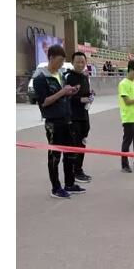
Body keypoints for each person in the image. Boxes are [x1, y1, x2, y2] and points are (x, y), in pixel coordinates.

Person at [33, 44, 83, 199]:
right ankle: (56, 188)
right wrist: (62, 92)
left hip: (67, 119)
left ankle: (69, 183)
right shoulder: (40, 78)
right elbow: (44, 102)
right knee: (55, 155)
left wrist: (70, 91)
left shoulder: (60, 75)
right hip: (54, 123)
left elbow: (62, 96)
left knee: (70, 153)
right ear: (51, 58)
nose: (62, 64)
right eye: (60, 60)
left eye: (63, 61)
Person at [65, 51, 94, 184]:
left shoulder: (84, 77)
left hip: (84, 116)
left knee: (82, 143)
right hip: (73, 116)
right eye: (78, 61)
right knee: (74, 145)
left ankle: (79, 169)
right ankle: (74, 171)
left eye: (83, 62)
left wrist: (91, 96)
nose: (80, 64)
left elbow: (87, 94)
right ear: (72, 62)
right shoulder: (69, 77)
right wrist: (80, 99)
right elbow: (67, 97)